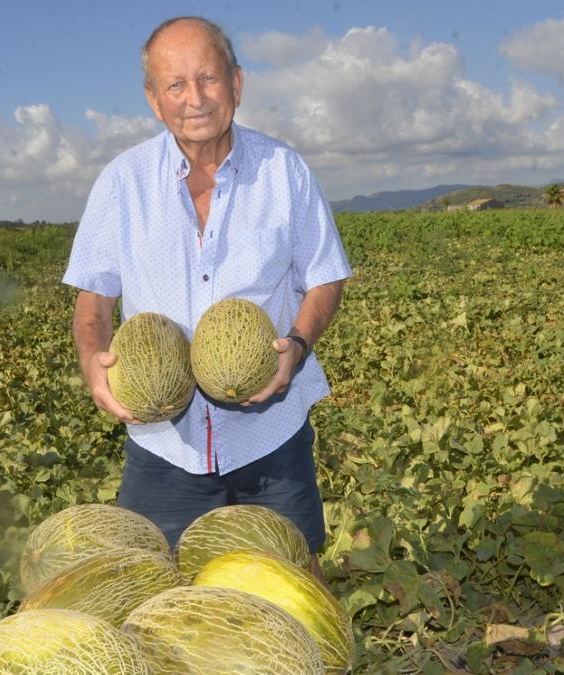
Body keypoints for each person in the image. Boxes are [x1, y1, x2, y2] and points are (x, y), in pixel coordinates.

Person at [62, 16, 351, 577]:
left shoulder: (284, 171)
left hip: (271, 433)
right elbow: (93, 300)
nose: (194, 99)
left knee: (293, 582)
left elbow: (326, 278)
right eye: (175, 85)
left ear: (236, 84)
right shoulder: (123, 182)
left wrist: (296, 343)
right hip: (166, 443)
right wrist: (93, 366)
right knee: (156, 590)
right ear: (153, 99)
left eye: (208, 79)